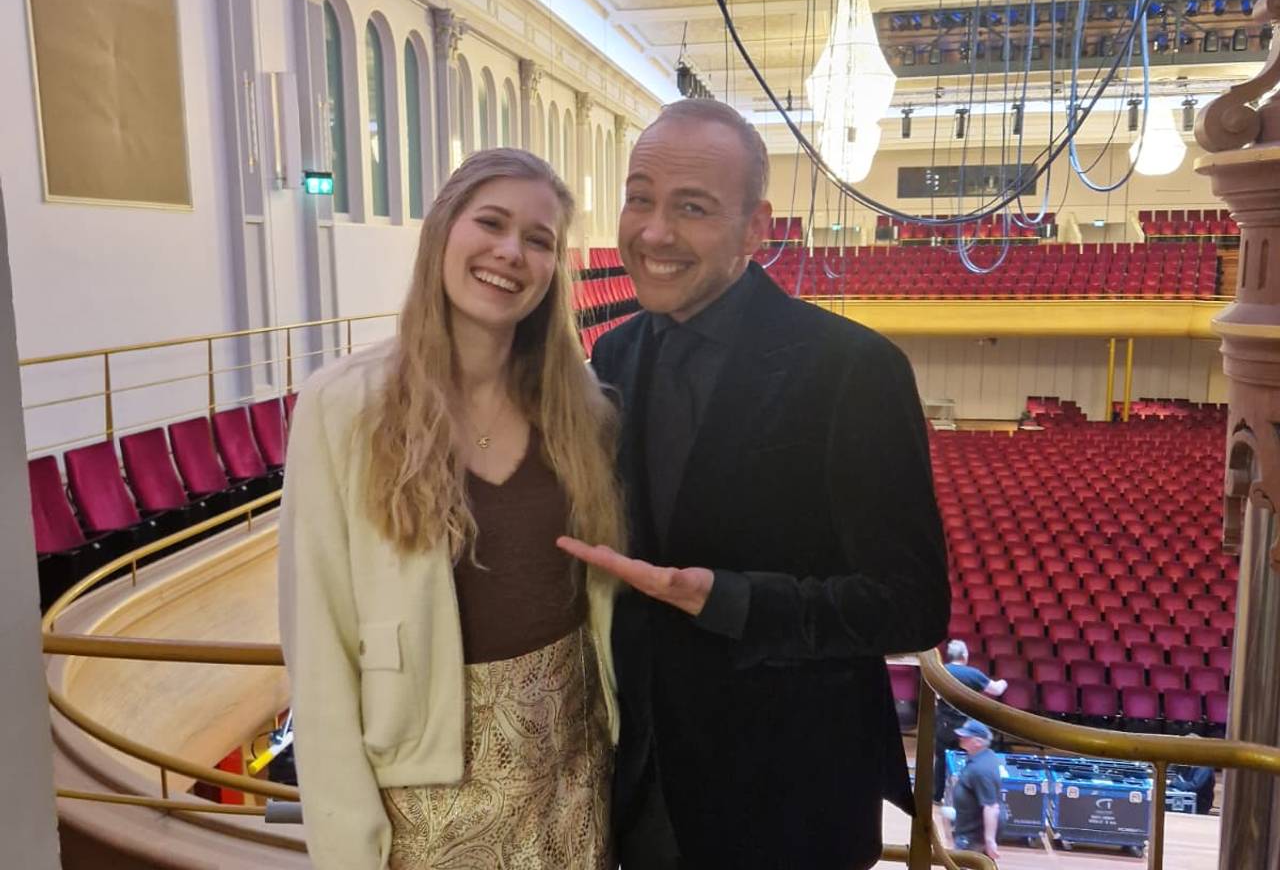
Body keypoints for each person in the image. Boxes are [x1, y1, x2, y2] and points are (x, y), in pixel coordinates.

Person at [557, 99, 950, 870]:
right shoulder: (615, 356)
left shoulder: (854, 369)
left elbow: (912, 604)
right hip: (645, 785)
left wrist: (732, 600)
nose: (654, 233)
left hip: (789, 796)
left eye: (692, 208)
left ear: (755, 228)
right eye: (640, 199)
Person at [278, 148, 627, 870]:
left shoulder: (582, 406)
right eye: (491, 223)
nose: (511, 252)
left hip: (572, 767)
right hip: (426, 791)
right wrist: (346, 845)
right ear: (443, 231)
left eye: (538, 240)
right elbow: (318, 640)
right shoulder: (343, 405)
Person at [935, 640, 1008, 803]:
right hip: (966, 727)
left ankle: (937, 795)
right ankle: (965, 795)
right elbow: (996, 690)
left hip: (944, 724)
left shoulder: (940, 672)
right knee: (969, 759)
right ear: (964, 656)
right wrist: (1004, 682)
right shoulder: (973, 674)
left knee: (941, 759)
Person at [947, 719, 1003, 863]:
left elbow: (991, 807)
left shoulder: (981, 770)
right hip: (970, 831)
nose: (961, 737)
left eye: (966, 736)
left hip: (972, 838)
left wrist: (989, 841)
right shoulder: (984, 756)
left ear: (978, 742)